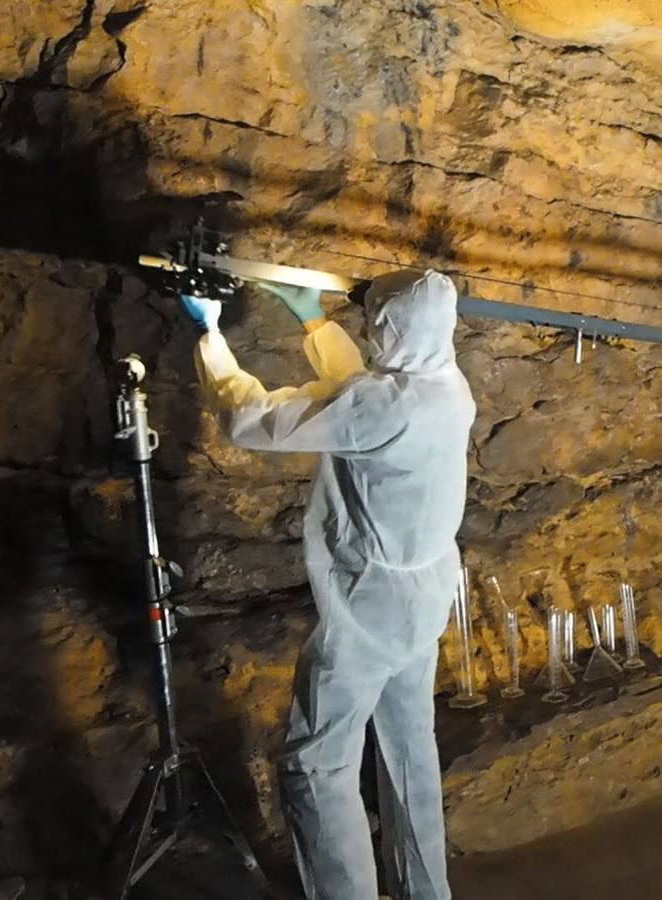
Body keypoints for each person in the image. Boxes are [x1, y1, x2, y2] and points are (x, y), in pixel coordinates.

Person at [180, 270, 475, 900]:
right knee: (409, 747)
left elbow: (254, 419)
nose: (371, 331)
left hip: (372, 604)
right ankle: (425, 891)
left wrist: (209, 335)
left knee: (317, 762)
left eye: (377, 322)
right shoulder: (449, 387)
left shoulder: (384, 405)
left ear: (396, 331)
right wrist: (316, 325)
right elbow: (359, 388)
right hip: (426, 594)